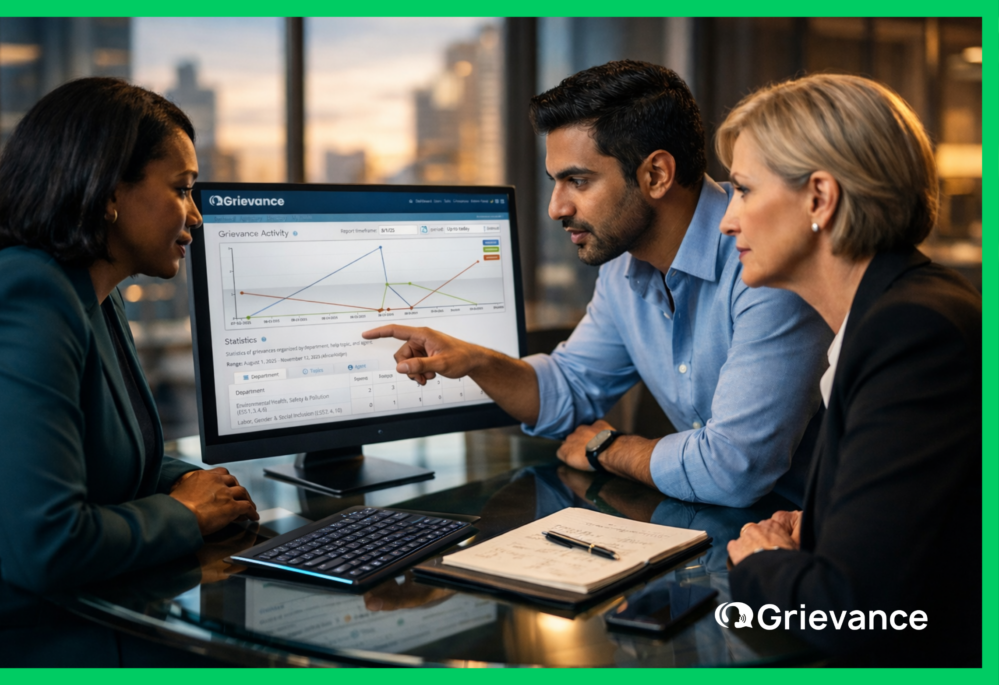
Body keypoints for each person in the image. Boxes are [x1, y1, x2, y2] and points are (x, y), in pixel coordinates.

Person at [364, 61, 831, 508]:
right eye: (555, 182)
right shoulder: (623, 266)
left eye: (578, 181)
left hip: (810, 542)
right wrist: (475, 361)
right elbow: (570, 390)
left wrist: (608, 448)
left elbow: (734, 469)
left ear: (656, 175)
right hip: (711, 525)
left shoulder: (766, 258)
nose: (556, 208)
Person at [0, 77, 259, 666]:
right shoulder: (27, 290)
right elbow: (46, 547)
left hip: (111, 610)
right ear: (111, 191)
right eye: (183, 189)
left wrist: (212, 489)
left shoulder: (96, 290)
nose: (196, 215)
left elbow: (116, 455)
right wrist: (187, 512)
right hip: (45, 641)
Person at [718, 74, 981, 666]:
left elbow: (851, 613)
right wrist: (837, 524)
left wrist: (764, 563)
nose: (727, 220)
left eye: (743, 190)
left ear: (819, 197)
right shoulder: (901, 310)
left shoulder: (912, 334)